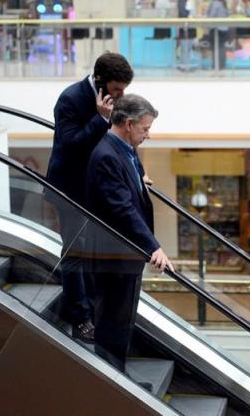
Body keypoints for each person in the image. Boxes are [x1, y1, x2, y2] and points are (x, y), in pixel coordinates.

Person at [46, 52, 133, 343]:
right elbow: (70, 145)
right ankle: (80, 318)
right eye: (117, 89)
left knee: (94, 251)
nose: (121, 95)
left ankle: (97, 309)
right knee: (75, 253)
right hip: (68, 190)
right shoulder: (70, 99)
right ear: (99, 81)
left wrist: (136, 172)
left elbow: (120, 140)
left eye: (124, 90)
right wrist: (100, 119)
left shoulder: (112, 102)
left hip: (94, 191)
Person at [86, 94, 174, 372]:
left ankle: (117, 376)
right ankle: (110, 381)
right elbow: (121, 209)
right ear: (127, 123)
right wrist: (153, 247)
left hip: (126, 257)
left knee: (123, 322)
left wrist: (139, 179)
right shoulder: (106, 156)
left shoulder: (124, 147)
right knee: (114, 323)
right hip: (114, 257)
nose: (147, 135)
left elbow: (133, 170)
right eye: (145, 128)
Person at [207, 0, 229, 70]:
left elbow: (211, 16)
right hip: (224, 28)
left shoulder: (215, 3)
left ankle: (215, 66)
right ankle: (222, 65)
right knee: (222, 47)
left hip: (216, 28)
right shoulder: (224, 3)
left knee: (215, 47)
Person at [177, 0, 196, 71]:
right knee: (185, 46)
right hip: (185, 25)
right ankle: (183, 66)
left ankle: (186, 65)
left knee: (189, 47)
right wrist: (188, 13)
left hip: (192, 24)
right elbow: (182, 12)